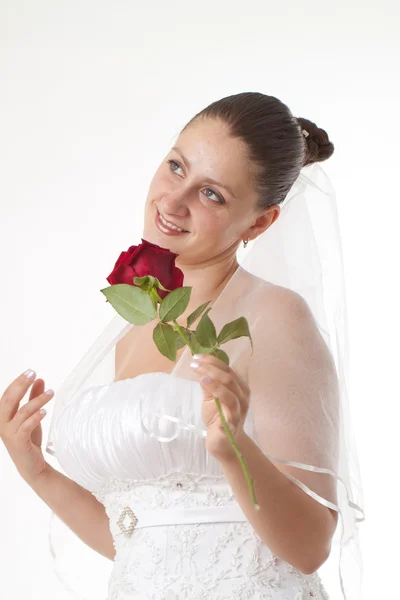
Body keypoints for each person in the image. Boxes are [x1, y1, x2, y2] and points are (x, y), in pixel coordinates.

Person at [0, 92, 364, 599]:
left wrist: (234, 452)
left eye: (211, 194)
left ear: (259, 223)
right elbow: (142, 542)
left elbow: (310, 548)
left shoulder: (274, 317)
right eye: (176, 167)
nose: (172, 202)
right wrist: (36, 472)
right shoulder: (138, 324)